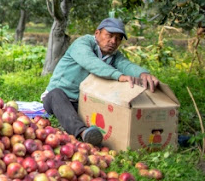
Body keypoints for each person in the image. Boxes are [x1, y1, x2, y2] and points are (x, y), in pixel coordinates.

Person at [42, 18, 160, 146]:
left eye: (118, 38)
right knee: (56, 93)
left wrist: (143, 74)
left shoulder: (113, 55)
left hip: (83, 104)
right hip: (57, 101)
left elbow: (126, 65)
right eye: (109, 35)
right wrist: (118, 76)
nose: (113, 41)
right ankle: (83, 133)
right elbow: (91, 62)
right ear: (97, 33)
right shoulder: (82, 44)